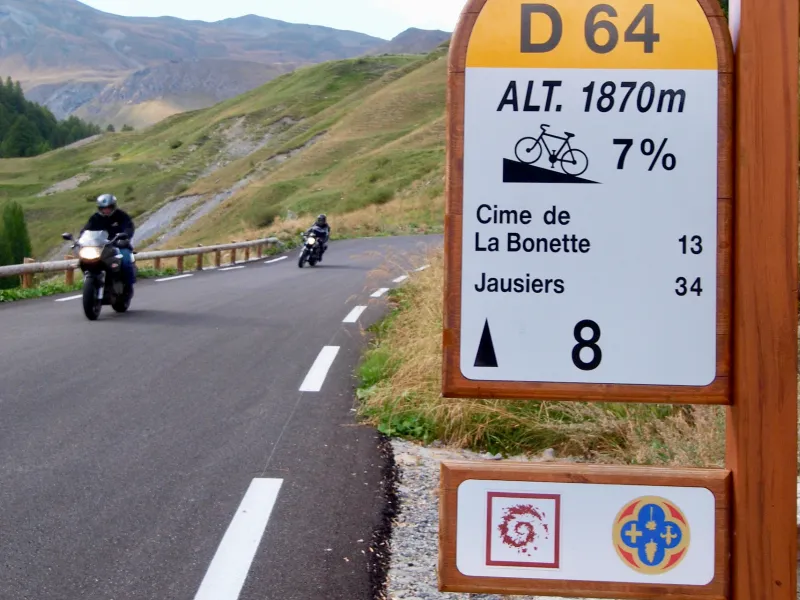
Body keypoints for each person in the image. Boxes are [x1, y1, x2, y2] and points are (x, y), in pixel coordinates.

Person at [81, 193, 136, 286]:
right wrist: (80, 240)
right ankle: (91, 278)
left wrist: (125, 236)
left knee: (126, 261)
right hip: (100, 246)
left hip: (118, 245)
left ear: (113, 206)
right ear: (99, 208)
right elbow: (86, 230)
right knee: (84, 260)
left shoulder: (121, 215)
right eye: (103, 208)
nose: (106, 210)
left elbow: (129, 227)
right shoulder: (95, 218)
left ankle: (128, 285)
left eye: (108, 207)